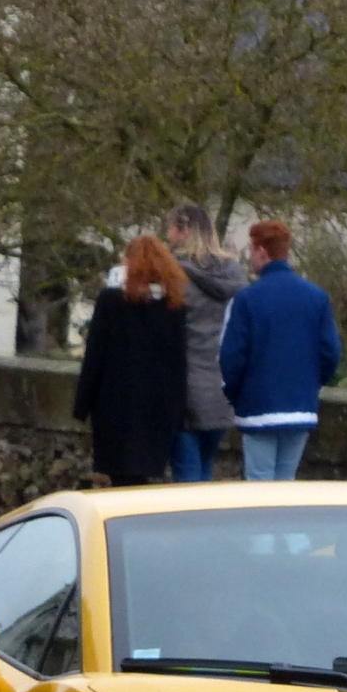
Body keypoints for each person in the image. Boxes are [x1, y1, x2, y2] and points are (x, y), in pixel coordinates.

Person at [218, 218, 340, 481]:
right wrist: (310, 385)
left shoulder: (247, 299)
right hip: (300, 407)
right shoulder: (316, 297)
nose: (250, 257)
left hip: (258, 408)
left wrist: (236, 396)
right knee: (286, 483)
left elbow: (231, 358)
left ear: (262, 251)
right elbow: (330, 353)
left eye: (251, 251)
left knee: (260, 486)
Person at [72, 234, 187, 485]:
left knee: (120, 477)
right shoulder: (174, 306)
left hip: (115, 405)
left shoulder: (111, 301)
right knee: (141, 479)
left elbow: (95, 356)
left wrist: (82, 405)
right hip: (157, 408)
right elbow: (179, 364)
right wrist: (178, 411)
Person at [166, 203, 241, 482]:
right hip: (222, 388)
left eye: (172, 229)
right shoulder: (233, 273)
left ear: (183, 231)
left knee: (186, 478)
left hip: (185, 387)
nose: (169, 236)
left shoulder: (173, 275)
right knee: (205, 468)